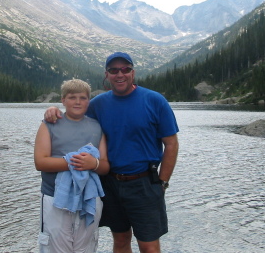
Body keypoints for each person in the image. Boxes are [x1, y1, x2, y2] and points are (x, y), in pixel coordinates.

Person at [44, 52, 179, 253]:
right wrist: (54, 110)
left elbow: (171, 144)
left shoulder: (154, 100)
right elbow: (75, 114)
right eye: (114, 70)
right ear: (107, 75)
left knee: (149, 246)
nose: (120, 74)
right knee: (121, 239)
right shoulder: (98, 104)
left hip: (144, 183)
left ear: (133, 73)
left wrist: (163, 183)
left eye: (125, 69)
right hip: (110, 183)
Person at [34, 79, 110, 253]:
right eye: (72, 97)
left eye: (83, 98)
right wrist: (75, 162)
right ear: (63, 100)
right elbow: (40, 162)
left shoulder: (96, 127)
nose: (77, 102)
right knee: (54, 247)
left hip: (88, 197)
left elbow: (105, 166)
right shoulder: (49, 124)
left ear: (88, 101)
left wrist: (94, 163)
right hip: (54, 197)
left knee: (86, 247)